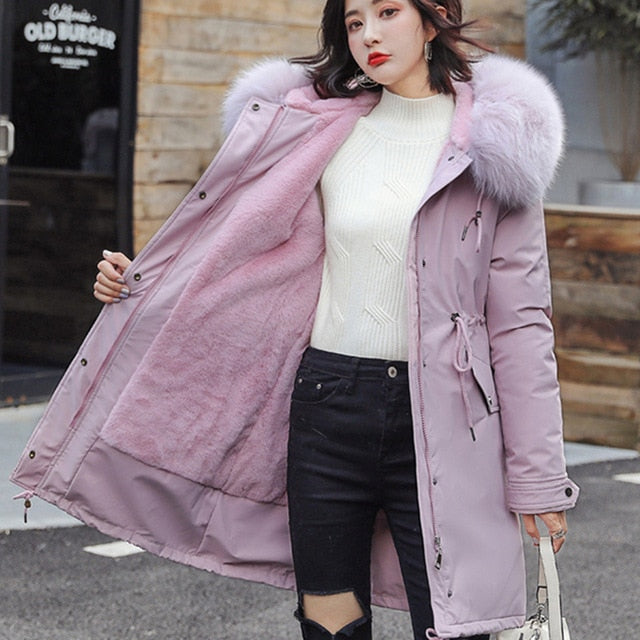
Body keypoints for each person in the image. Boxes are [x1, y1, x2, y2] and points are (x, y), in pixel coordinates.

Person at [13, 1, 579, 639]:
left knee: (455, 623)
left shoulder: (497, 149)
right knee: (329, 618)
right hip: (327, 404)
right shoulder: (314, 131)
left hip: (447, 418)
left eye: (387, 11)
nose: (368, 34)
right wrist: (137, 282)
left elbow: (521, 326)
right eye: (354, 22)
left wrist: (539, 479)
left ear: (433, 18)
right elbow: (236, 251)